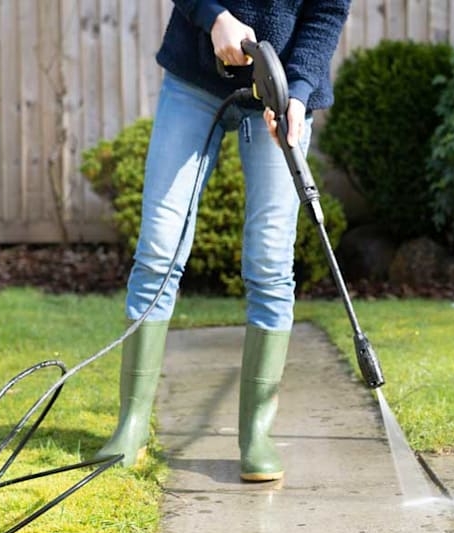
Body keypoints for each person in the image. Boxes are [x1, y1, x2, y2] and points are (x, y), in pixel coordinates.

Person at [92, 2, 351, 482]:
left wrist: (296, 93)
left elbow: (327, 12)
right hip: (196, 81)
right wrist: (214, 17)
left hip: (279, 91)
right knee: (158, 250)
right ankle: (130, 426)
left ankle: (256, 434)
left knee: (271, 264)